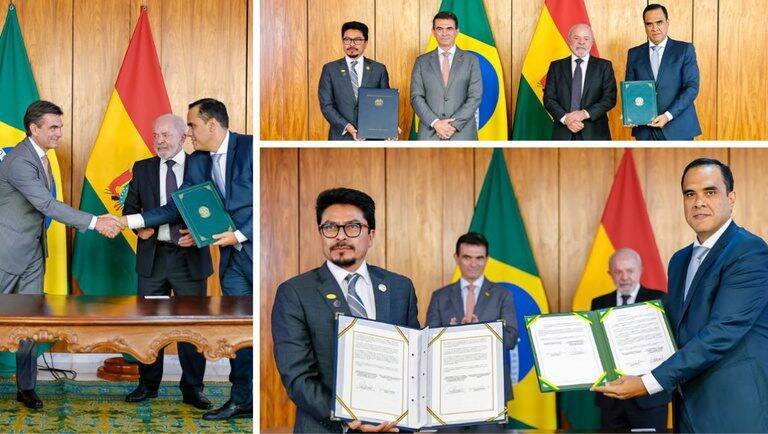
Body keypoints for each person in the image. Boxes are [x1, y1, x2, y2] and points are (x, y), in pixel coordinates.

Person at [593, 158, 768, 432]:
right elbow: (671, 329)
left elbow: (721, 332)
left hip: (733, 410)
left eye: (710, 192)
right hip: (686, 408)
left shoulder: (749, 252)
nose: (698, 202)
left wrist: (647, 382)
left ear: (731, 198)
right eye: (690, 194)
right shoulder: (680, 260)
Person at [121, 98, 253, 420]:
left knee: (201, 327)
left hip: (246, 251)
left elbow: (269, 195)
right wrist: (131, 223)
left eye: (191, 127)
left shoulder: (251, 148)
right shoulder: (198, 162)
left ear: (210, 125)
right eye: (157, 135)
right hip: (220, 259)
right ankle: (241, 399)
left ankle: (201, 389)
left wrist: (234, 234)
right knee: (238, 329)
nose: (190, 134)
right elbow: (179, 206)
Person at [0, 100, 123, 410]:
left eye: (60, 126)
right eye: (53, 127)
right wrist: (96, 222)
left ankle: (25, 387)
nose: (59, 132)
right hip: (6, 253)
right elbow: (48, 205)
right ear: (34, 129)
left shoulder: (41, 157)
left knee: (29, 324)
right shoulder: (19, 161)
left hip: (33, 255)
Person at [272, 187, 419, 433]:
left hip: (393, 426)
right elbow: (297, 376)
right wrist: (348, 417)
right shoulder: (295, 292)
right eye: (330, 228)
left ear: (370, 235)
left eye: (353, 227)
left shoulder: (400, 287)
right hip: (326, 426)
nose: (340, 236)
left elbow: (414, 361)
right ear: (320, 233)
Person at [122, 114, 213, 410]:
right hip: (154, 256)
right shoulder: (143, 168)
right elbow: (130, 208)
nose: (159, 140)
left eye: (165, 135)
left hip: (189, 258)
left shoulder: (202, 166)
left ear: (183, 136)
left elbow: (216, 210)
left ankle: (193, 389)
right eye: (155, 135)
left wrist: (200, 236)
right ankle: (147, 385)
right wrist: (140, 227)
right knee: (150, 325)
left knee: (192, 326)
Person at [425, 232, 517, 432]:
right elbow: (428, 343)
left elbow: (510, 338)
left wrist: (481, 330)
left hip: (490, 391)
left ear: (487, 260)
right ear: (456, 258)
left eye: (479, 258)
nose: (473, 264)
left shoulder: (503, 295)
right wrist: (454, 332)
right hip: (448, 390)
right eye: (467, 257)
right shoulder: (439, 297)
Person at [590, 248, 668, 432]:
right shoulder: (598, 303)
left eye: (630, 271)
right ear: (610, 273)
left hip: (649, 398)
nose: (624, 276)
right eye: (618, 271)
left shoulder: (660, 299)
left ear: (640, 270)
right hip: (611, 399)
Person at [625, 3, 701, 140]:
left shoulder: (684, 50)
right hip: (645, 130)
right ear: (644, 26)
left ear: (667, 22)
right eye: (649, 24)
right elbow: (630, 90)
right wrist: (630, 112)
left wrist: (668, 115)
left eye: (659, 22)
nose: (655, 28)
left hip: (678, 127)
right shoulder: (633, 54)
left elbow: (692, 88)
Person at [410, 11, 482, 140]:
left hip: (462, 133)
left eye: (449, 28)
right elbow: (416, 97)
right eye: (439, 29)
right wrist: (436, 123)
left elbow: (475, 97)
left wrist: (452, 126)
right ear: (433, 32)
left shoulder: (471, 60)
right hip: (430, 133)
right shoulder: (421, 61)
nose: (444, 33)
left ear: (456, 31)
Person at [318, 21, 390, 141]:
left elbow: (386, 104)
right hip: (341, 137)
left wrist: (389, 127)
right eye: (347, 39)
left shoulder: (378, 69)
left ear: (365, 42)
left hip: (372, 137)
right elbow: (326, 105)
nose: (351, 44)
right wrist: (347, 126)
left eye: (357, 40)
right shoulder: (330, 69)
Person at [543, 23, 616, 140]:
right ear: (569, 41)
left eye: (586, 39)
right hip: (563, 132)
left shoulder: (604, 66)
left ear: (592, 43)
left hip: (595, 133)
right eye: (576, 38)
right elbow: (549, 99)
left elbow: (609, 98)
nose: (581, 42)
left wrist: (583, 114)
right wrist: (566, 119)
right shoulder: (556, 66)